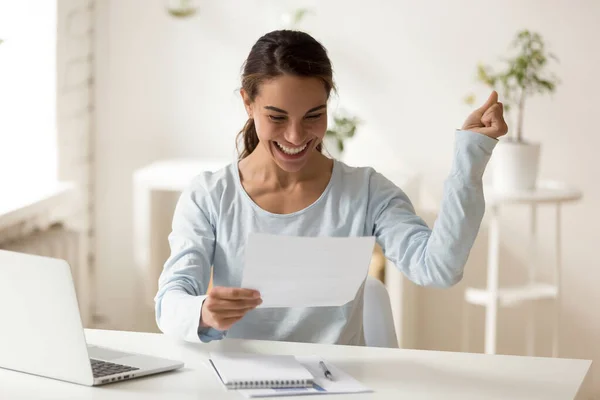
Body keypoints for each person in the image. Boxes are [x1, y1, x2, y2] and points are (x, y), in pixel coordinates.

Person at [154, 29, 507, 345]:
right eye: (277, 117)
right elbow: (171, 300)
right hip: (243, 383)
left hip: (341, 385)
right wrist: (203, 312)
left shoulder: (366, 192)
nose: (295, 136)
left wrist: (470, 159)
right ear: (248, 102)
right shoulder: (210, 196)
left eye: (313, 115)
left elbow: (438, 269)